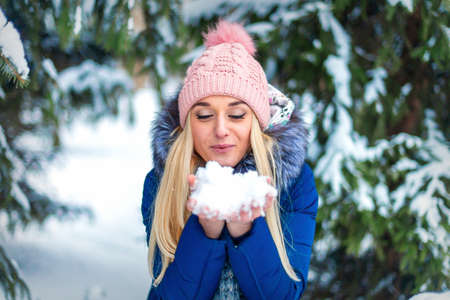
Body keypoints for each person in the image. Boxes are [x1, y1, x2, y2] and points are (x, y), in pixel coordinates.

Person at [141, 20, 318, 300]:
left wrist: (246, 232)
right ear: (187, 124)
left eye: (236, 115)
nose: (221, 129)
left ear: (257, 122)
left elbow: (284, 295)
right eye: (203, 115)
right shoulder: (163, 182)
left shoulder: (293, 182)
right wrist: (204, 232)